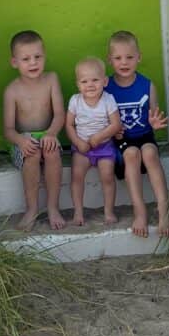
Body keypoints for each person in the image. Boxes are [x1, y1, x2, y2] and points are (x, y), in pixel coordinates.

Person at [107, 30, 169, 238]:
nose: (124, 62)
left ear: (139, 57)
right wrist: (112, 129)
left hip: (145, 136)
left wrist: (154, 122)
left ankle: (163, 210)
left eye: (129, 57)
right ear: (110, 60)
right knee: (132, 154)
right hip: (121, 141)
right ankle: (140, 211)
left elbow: (153, 113)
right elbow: (101, 116)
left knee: (149, 152)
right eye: (118, 58)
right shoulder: (107, 87)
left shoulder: (147, 85)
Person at [2, 30, 66, 231]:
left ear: (44, 57)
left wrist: (51, 133)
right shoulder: (12, 91)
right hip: (24, 141)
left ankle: (53, 207)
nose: (33, 63)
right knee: (32, 154)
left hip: (49, 134)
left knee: (52, 152)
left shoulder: (51, 80)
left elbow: (60, 115)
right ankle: (31, 209)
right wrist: (21, 141)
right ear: (15, 62)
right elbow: (8, 130)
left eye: (37, 57)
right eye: (26, 59)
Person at [65, 56, 122, 226]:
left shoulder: (108, 99)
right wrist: (77, 141)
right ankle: (78, 212)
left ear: (104, 81)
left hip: (104, 147)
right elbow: (68, 124)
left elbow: (116, 124)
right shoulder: (75, 101)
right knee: (76, 176)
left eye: (95, 80)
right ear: (78, 84)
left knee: (107, 176)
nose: (90, 85)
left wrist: (99, 137)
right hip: (82, 148)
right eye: (84, 81)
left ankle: (109, 211)